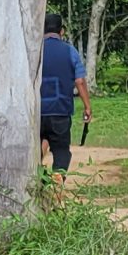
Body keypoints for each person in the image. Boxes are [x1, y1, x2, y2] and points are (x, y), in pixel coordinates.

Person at [38, 11, 91, 177]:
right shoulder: (70, 51)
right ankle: (57, 180)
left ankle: (36, 180)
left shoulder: (34, 51)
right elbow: (80, 81)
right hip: (60, 111)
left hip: (36, 111)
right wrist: (87, 107)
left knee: (35, 148)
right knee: (61, 151)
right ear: (62, 31)